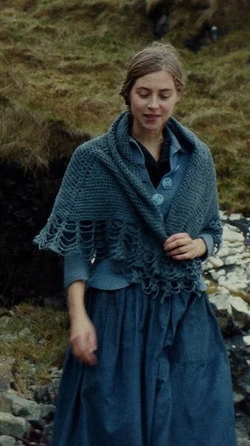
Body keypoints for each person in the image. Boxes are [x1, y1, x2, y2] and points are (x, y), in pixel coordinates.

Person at [34, 42, 236, 445]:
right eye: (144, 93)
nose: (153, 105)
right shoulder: (94, 159)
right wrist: (79, 318)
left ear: (178, 95)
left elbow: (213, 229)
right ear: (127, 93)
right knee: (112, 421)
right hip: (117, 312)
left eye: (164, 94)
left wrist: (199, 246)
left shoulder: (198, 158)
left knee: (193, 419)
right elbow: (77, 249)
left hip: (184, 310)